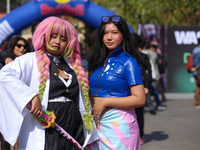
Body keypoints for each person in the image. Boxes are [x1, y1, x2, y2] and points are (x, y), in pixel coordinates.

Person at [0, 16, 98, 150]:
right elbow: (4, 76)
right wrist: (30, 96)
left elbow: (80, 102)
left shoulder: (73, 66)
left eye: (63, 39)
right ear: (44, 36)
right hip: (46, 127)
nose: (57, 42)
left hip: (74, 126)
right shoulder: (30, 60)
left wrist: (86, 137)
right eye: (53, 36)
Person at [88, 15, 146, 150]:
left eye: (114, 33)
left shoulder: (129, 62)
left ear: (123, 35)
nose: (109, 37)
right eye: (105, 33)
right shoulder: (97, 61)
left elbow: (140, 99)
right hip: (97, 125)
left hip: (120, 126)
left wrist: (106, 101)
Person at [0, 36, 30, 150]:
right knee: (5, 138)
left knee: (19, 137)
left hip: (24, 104)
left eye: (25, 46)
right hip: (7, 104)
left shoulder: (30, 62)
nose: (22, 48)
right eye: (19, 45)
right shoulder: (6, 61)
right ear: (12, 47)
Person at [191, 38, 200, 109]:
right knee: (198, 87)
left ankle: (197, 103)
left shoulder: (194, 49)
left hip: (195, 71)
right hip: (198, 71)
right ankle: (197, 103)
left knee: (198, 86)